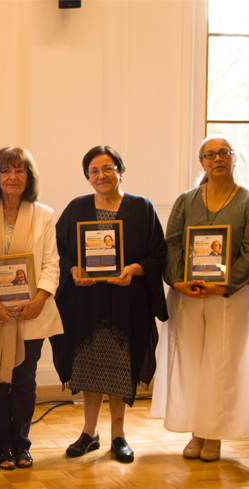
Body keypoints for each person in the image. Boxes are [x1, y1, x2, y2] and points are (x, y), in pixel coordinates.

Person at [52, 145, 167, 463]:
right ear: (87, 177)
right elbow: (58, 251)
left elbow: (159, 253)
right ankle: (89, 432)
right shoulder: (77, 208)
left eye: (107, 168)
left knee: (120, 366)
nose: (101, 175)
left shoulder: (141, 208)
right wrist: (73, 270)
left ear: (120, 171)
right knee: (89, 365)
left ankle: (119, 435)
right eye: (94, 171)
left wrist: (135, 269)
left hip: (126, 302)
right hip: (86, 302)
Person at [151, 136, 249, 461]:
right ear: (202, 162)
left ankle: (213, 434)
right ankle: (196, 431)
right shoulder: (186, 200)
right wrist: (178, 282)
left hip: (230, 298)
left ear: (233, 158)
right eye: (210, 154)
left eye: (224, 153)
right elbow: (172, 244)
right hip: (188, 296)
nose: (217, 158)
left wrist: (225, 285)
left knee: (220, 366)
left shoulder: (248, 201)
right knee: (192, 363)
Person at [0, 147, 63, 470]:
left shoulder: (45, 215)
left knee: (24, 381)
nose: (12, 177)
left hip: (31, 312)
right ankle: (0, 446)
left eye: (19, 170)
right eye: (6, 171)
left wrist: (39, 299)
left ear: (28, 177)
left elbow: (51, 263)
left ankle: (21, 444)